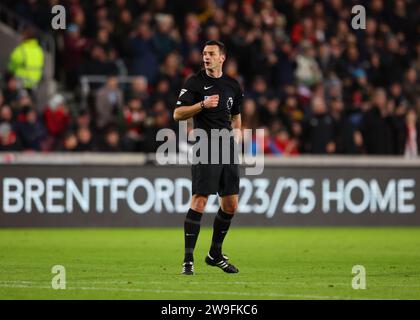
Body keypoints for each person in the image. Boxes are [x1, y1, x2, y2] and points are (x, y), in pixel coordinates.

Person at [173, 40, 243, 275]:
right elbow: (177, 114)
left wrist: (236, 139)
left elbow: (236, 118)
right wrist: (201, 105)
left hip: (227, 147)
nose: (206, 57)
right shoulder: (195, 82)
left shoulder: (233, 85)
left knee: (231, 204)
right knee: (201, 200)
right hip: (206, 145)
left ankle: (214, 254)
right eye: (204, 53)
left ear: (222, 57)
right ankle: (188, 260)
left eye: (211, 53)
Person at [7, 26, 44, 91]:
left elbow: (10, 68)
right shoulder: (39, 50)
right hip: (34, 85)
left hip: (20, 85)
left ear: (25, 36)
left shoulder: (21, 50)